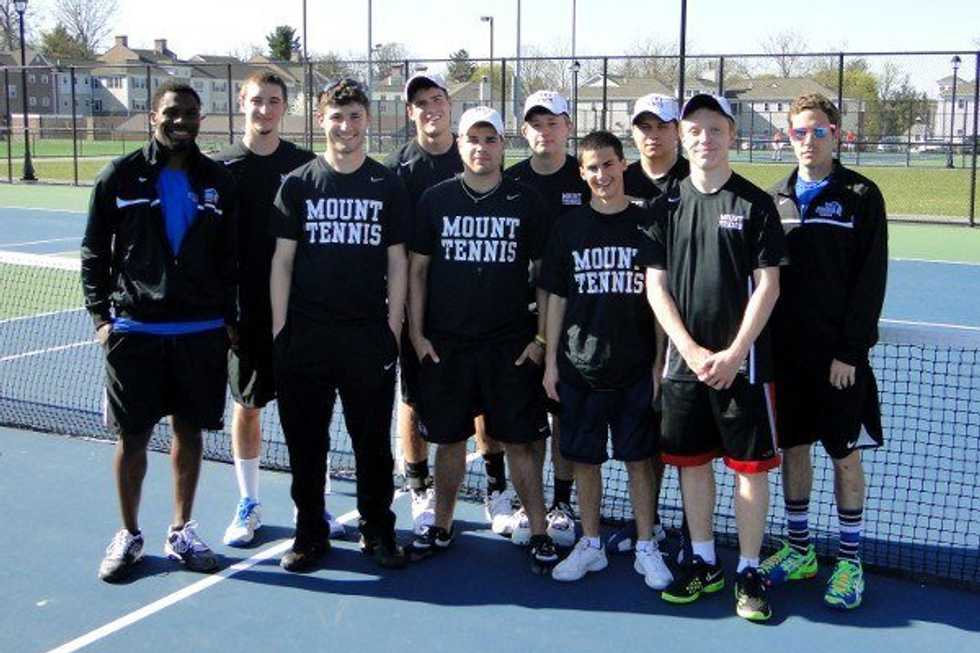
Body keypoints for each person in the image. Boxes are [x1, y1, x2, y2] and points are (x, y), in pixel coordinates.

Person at [83, 80, 238, 582]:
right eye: (173, 112)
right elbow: (93, 252)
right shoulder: (119, 177)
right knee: (133, 437)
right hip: (136, 331)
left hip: (200, 331)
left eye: (191, 114)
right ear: (154, 116)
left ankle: (181, 530)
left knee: (189, 432)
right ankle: (128, 535)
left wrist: (230, 319)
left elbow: (231, 256)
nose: (182, 121)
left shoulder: (216, 180)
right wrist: (102, 319)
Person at [645, 93, 787, 621]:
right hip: (685, 366)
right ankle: (703, 559)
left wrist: (732, 354)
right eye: (695, 129)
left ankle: (749, 568)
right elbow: (655, 286)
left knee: (749, 470)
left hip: (743, 367)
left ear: (732, 135)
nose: (705, 138)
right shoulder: (666, 205)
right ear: (684, 138)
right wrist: (690, 349)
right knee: (693, 465)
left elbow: (767, 287)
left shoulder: (755, 204)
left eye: (715, 128)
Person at [407, 106, 558, 573]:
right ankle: (443, 525)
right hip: (448, 346)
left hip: (510, 346)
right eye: (473, 139)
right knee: (449, 441)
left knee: (518, 443)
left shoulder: (526, 201)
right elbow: (416, 270)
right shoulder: (435, 200)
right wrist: (416, 334)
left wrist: (540, 339)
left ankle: (538, 532)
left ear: (502, 145)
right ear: (459, 143)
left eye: (490, 139)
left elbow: (547, 279)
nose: (481, 147)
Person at [269, 79, 409, 572]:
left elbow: (399, 262)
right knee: (306, 445)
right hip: (305, 337)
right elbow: (282, 262)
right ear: (321, 120)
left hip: (366, 337)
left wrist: (392, 327)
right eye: (336, 117)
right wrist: (281, 330)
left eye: (354, 117)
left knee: (372, 445)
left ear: (366, 121)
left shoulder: (387, 184)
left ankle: (378, 531)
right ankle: (309, 534)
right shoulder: (299, 183)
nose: (345, 127)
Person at [760, 93, 887, 610]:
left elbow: (870, 279)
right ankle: (799, 549)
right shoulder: (774, 198)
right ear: (785, 136)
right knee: (793, 449)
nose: (808, 140)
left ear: (836, 134)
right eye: (798, 131)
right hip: (786, 359)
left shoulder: (861, 194)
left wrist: (850, 352)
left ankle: (850, 560)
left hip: (839, 362)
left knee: (843, 454)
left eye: (818, 131)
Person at [212, 71, 344, 547]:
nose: (264, 110)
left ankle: (314, 503)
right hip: (245, 317)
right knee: (248, 408)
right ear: (241, 103)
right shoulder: (219, 168)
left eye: (273, 101)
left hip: (303, 315)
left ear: (284, 107)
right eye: (256, 101)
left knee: (309, 414)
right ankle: (248, 502)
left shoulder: (305, 167)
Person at [540, 130, 673, 591]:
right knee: (585, 462)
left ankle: (645, 545)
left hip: (636, 368)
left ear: (623, 164)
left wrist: (658, 361)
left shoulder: (649, 221)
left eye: (609, 165)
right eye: (592, 168)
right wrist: (552, 362)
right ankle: (591, 544)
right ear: (582, 173)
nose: (602, 175)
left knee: (640, 461)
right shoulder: (568, 227)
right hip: (580, 368)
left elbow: (661, 298)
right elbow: (556, 298)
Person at [385, 73, 514, 538]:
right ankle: (419, 488)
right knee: (414, 401)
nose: (431, 108)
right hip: (422, 315)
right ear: (410, 112)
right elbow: (403, 254)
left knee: (485, 404)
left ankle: (495, 490)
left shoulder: (476, 163)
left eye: (437, 99)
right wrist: (407, 318)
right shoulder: (398, 170)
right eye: (421, 102)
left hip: (481, 319)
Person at [504, 89, 591, 548]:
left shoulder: (586, 177)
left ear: (567, 127)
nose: (545, 131)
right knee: (524, 422)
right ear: (524, 131)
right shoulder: (510, 180)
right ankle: (526, 501)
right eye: (536, 123)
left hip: (576, 322)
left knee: (564, 420)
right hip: (520, 322)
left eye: (553, 122)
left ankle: (561, 504)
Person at [608, 92, 690, 556]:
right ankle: (651, 523)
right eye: (644, 127)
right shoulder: (624, 178)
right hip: (632, 330)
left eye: (661, 126)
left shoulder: (693, 179)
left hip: (684, 329)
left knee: (681, 436)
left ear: (676, 130)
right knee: (643, 438)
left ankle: (687, 527)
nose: (652, 135)